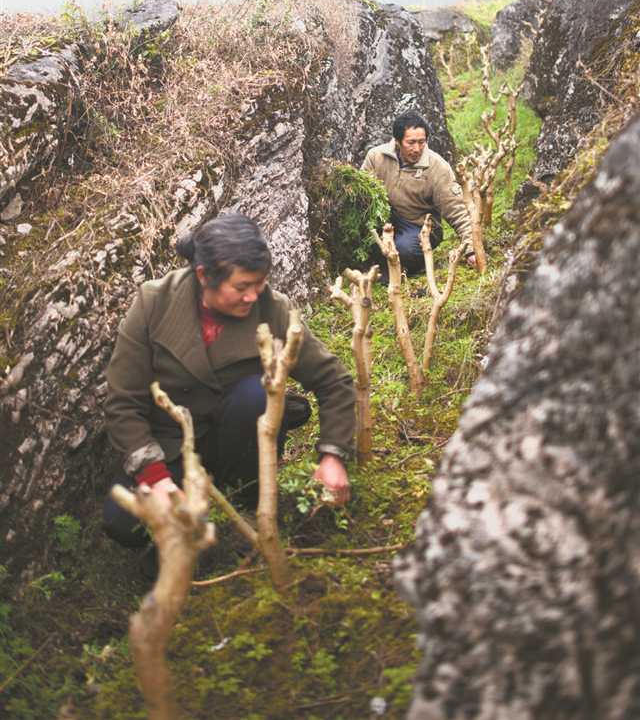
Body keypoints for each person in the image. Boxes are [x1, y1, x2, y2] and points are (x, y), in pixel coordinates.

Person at [103, 213, 354, 555]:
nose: (253, 296)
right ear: (204, 276)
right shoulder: (154, 303)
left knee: (255, 395)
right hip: (173, 447)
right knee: (125, 522)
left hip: (242, 444)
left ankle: (248, 502)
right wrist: (154, 476)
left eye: (259, 283)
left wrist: (333, 456)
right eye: (241, 287)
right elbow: (122, 402)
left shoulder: (272, 308)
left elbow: (333, 381)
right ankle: (191, 538)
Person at [361, 110, 477, 276]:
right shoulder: (376, 157)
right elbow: (362, 195)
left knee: (404, 250)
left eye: (422, 142)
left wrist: (471, 249)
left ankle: (399, 271)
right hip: (386, 219)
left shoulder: (437, 167)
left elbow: (456, 209)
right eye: (411, 142)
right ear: (398, 141)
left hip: (420, 226)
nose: (417, 149)